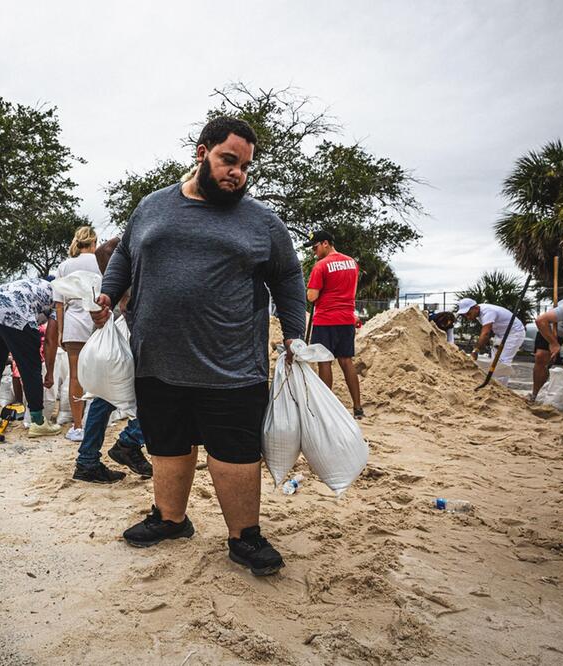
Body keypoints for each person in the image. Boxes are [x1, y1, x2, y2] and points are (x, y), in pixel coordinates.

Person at [93, 117, 306, 576]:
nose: (238, 174)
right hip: (156, 357)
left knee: (234, 452)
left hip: (231, 364)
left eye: (246, 166)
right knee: (168, 444)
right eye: (229, 160)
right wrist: (109, 292)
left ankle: (244, 537)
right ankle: (171, 519)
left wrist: (294, 332)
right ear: (201, 152)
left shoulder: (261, 221)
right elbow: (127, 254)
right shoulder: (152, 206)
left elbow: (288, 276)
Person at [73, 236, 152, 483]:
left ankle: (87, 460)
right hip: (140, 335)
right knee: (157, 395)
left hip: (127, 335)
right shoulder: (132, 287)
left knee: (104, 397)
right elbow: (107, 250)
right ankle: (128, 442)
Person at [0, 277, 63, 437]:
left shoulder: (40, 285)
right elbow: (51, 341)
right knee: (30, 367)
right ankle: (38, 422)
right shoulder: (61, 299)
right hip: (16, 311)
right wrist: (50, 372)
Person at [304, 230, 364, 419]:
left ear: (325, 244)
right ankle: (357, 408)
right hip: (346, 319)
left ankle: (326, 407)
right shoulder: (352, 263)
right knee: (346, 361)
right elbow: (352, 291)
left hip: (326, 320)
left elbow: (312, 296)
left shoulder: (321, 266)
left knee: (324, 361)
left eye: (315, 247)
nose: (314, 252)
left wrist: (316, 291)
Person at [53, 225, 102, 442]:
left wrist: (62, 332)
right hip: (97, 319)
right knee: (100, 373)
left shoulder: (64, 266)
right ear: (94, 242)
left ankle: (78, 425)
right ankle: (97, 421)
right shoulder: (101, 261)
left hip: (73, 321)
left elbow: (59, 304)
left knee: (75, 375)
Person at [456, 297, 526, 386]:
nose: (467, 317)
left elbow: (485, 333)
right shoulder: (479, 313)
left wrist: (475, 351)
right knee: (495, 362)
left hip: (514, 333)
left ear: (476, 308)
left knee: (502, 363)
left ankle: (501, 389)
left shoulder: (488, 312)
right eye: (465, 315)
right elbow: (488, 333)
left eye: (468, 314)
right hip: (501, 334)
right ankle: (494, 385)